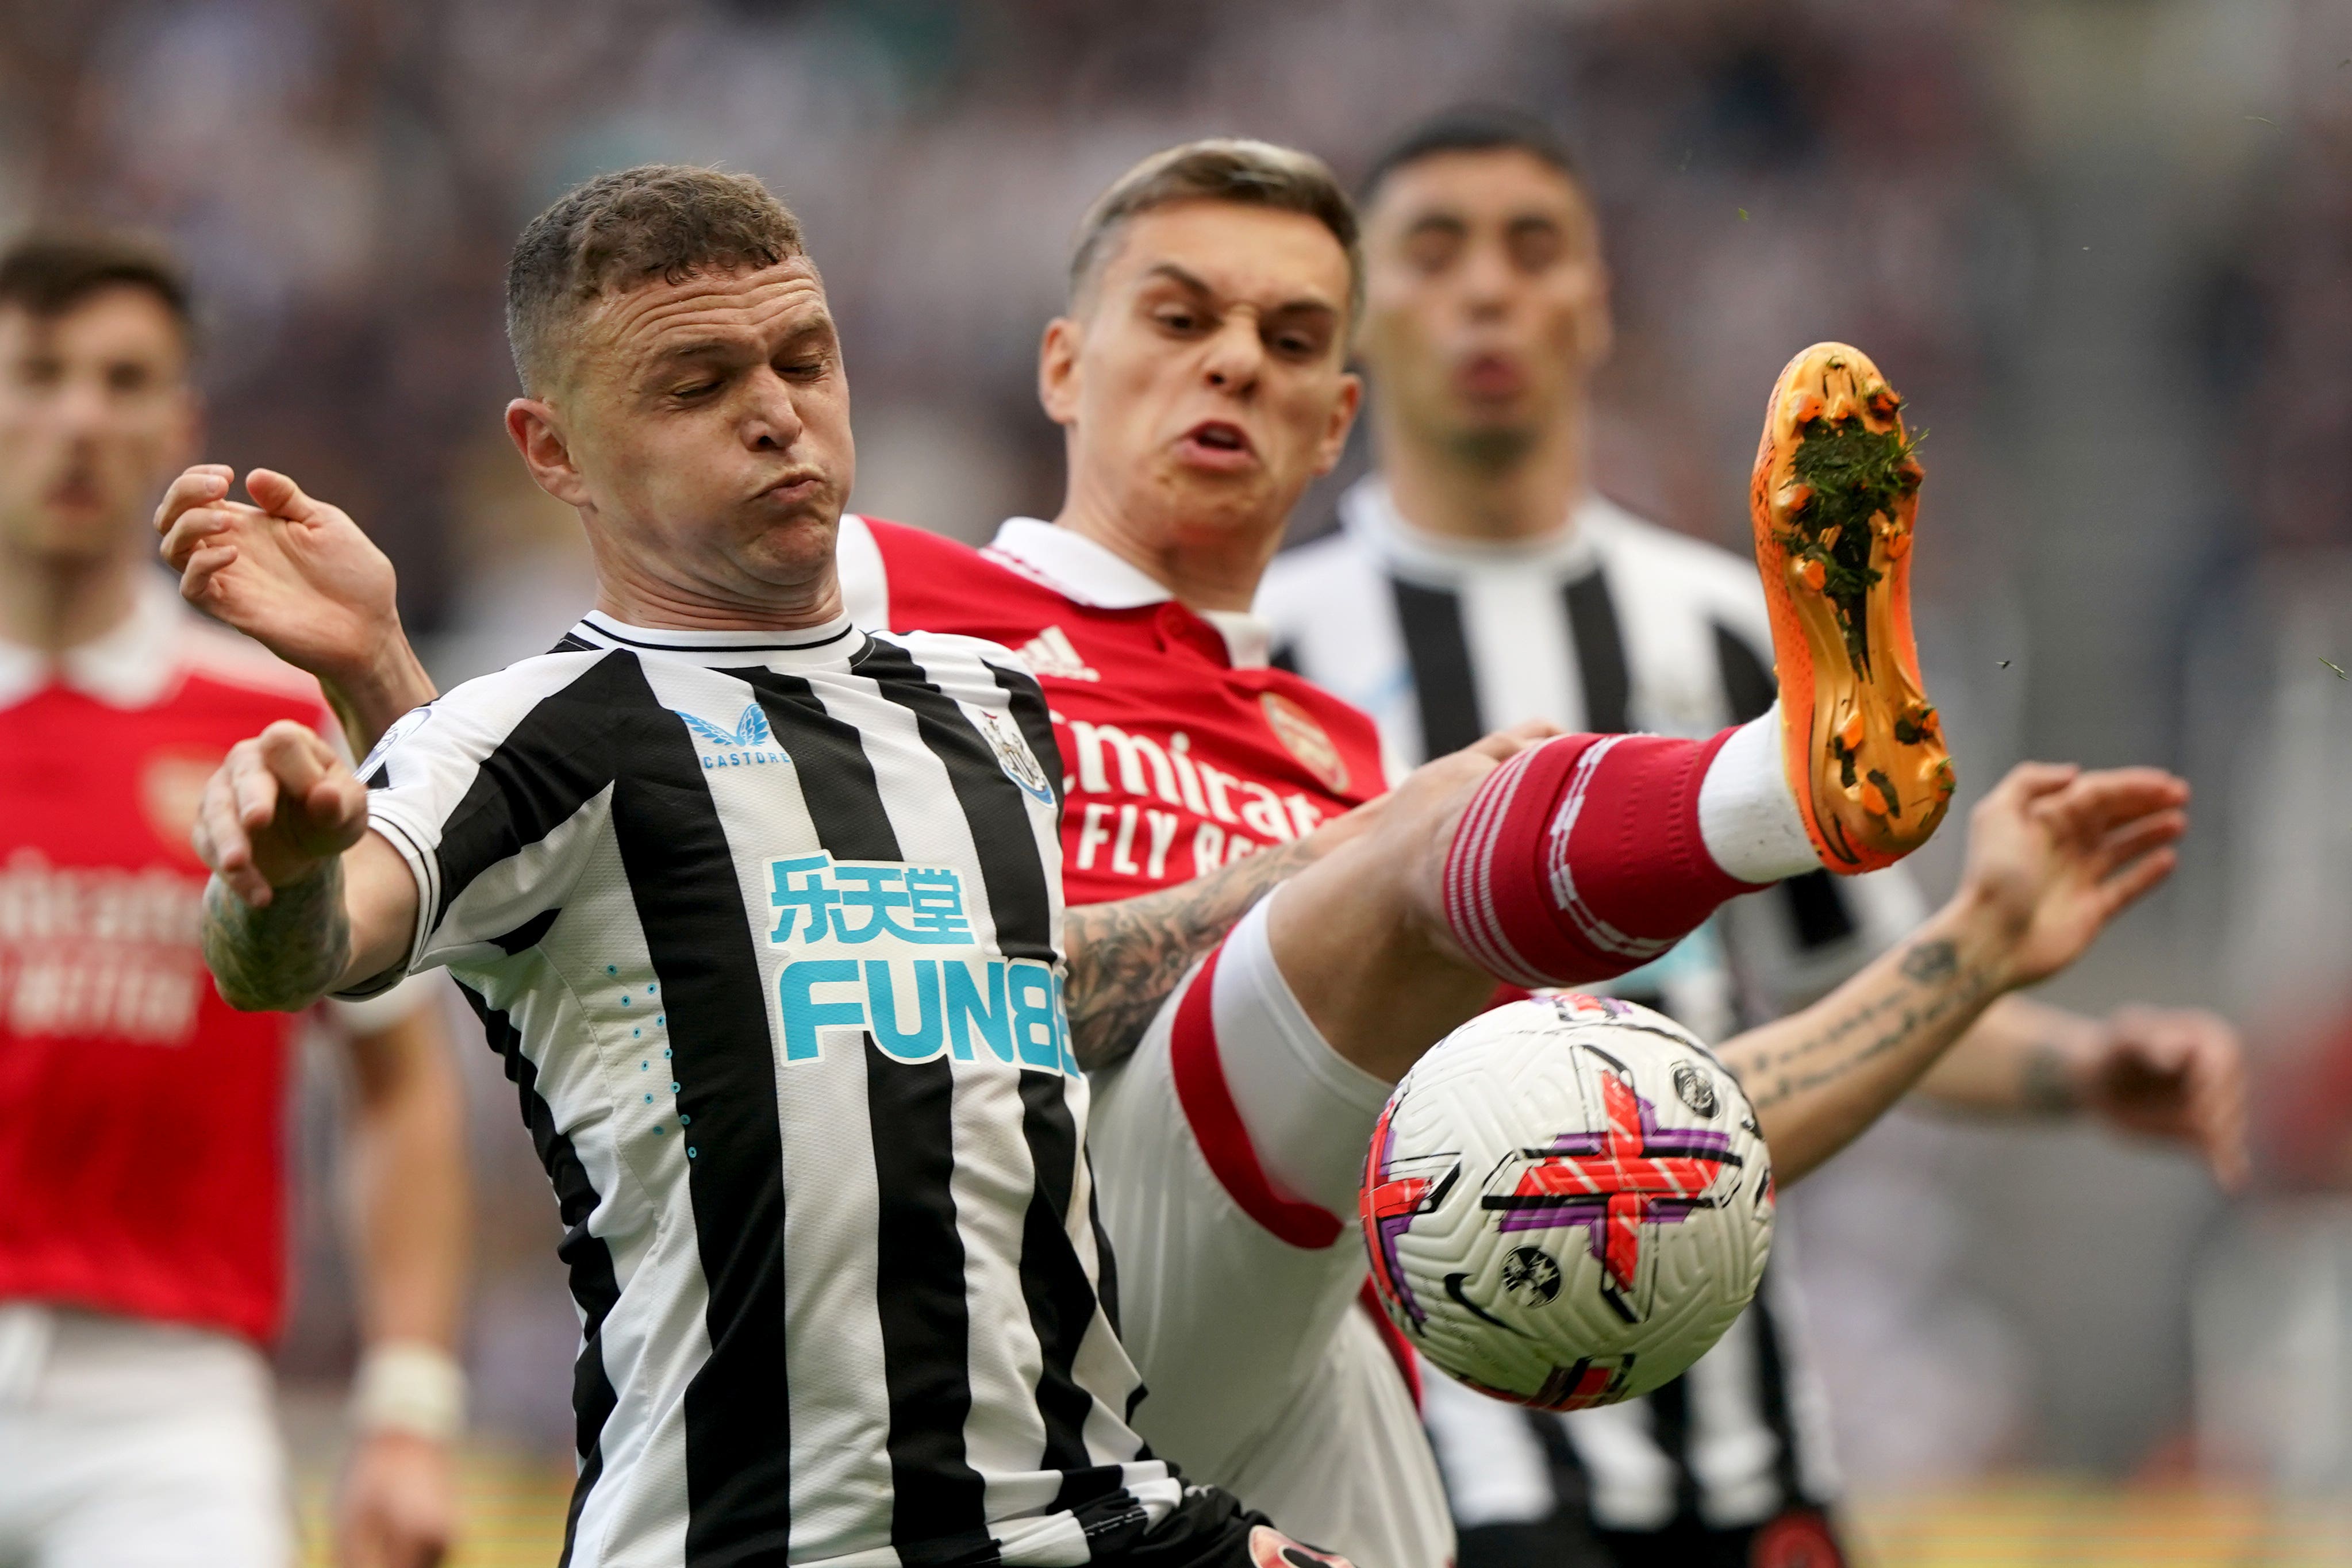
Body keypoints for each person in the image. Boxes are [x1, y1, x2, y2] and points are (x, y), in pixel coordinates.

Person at [163, 150, 2191, 1568]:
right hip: (1000, 1298)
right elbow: (618, 797)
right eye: (1178, 314)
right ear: (1060, 365)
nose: (1231, 360)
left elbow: (1650, 1120)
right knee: (1398, 861)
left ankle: (1792, 796)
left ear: (1339, 420)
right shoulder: (905, 602)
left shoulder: (1315, 732)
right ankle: (1778, 788)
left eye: (1291, 335)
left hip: (1250, 1337)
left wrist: (1969, 961)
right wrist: (385, 685)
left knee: (1523, 1047)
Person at [1255, 107, 2248, 1568]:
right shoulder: (1283, 648)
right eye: (1434, 248)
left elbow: (1861, 984)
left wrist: (2087, 1069)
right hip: (1455, 1443)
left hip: (1747, 1424)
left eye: (1533, 248)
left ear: (1596, 305)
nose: (1486, 288)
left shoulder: (1724, 622)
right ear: (1357, 319)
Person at [0, 233, 468, 1568]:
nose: (80, 415)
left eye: (123, 377)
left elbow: (399, 1076)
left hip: (165, 1407)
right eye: (37, 372)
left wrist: (409, 1408)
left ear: (180, 421)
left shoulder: (269, 719)